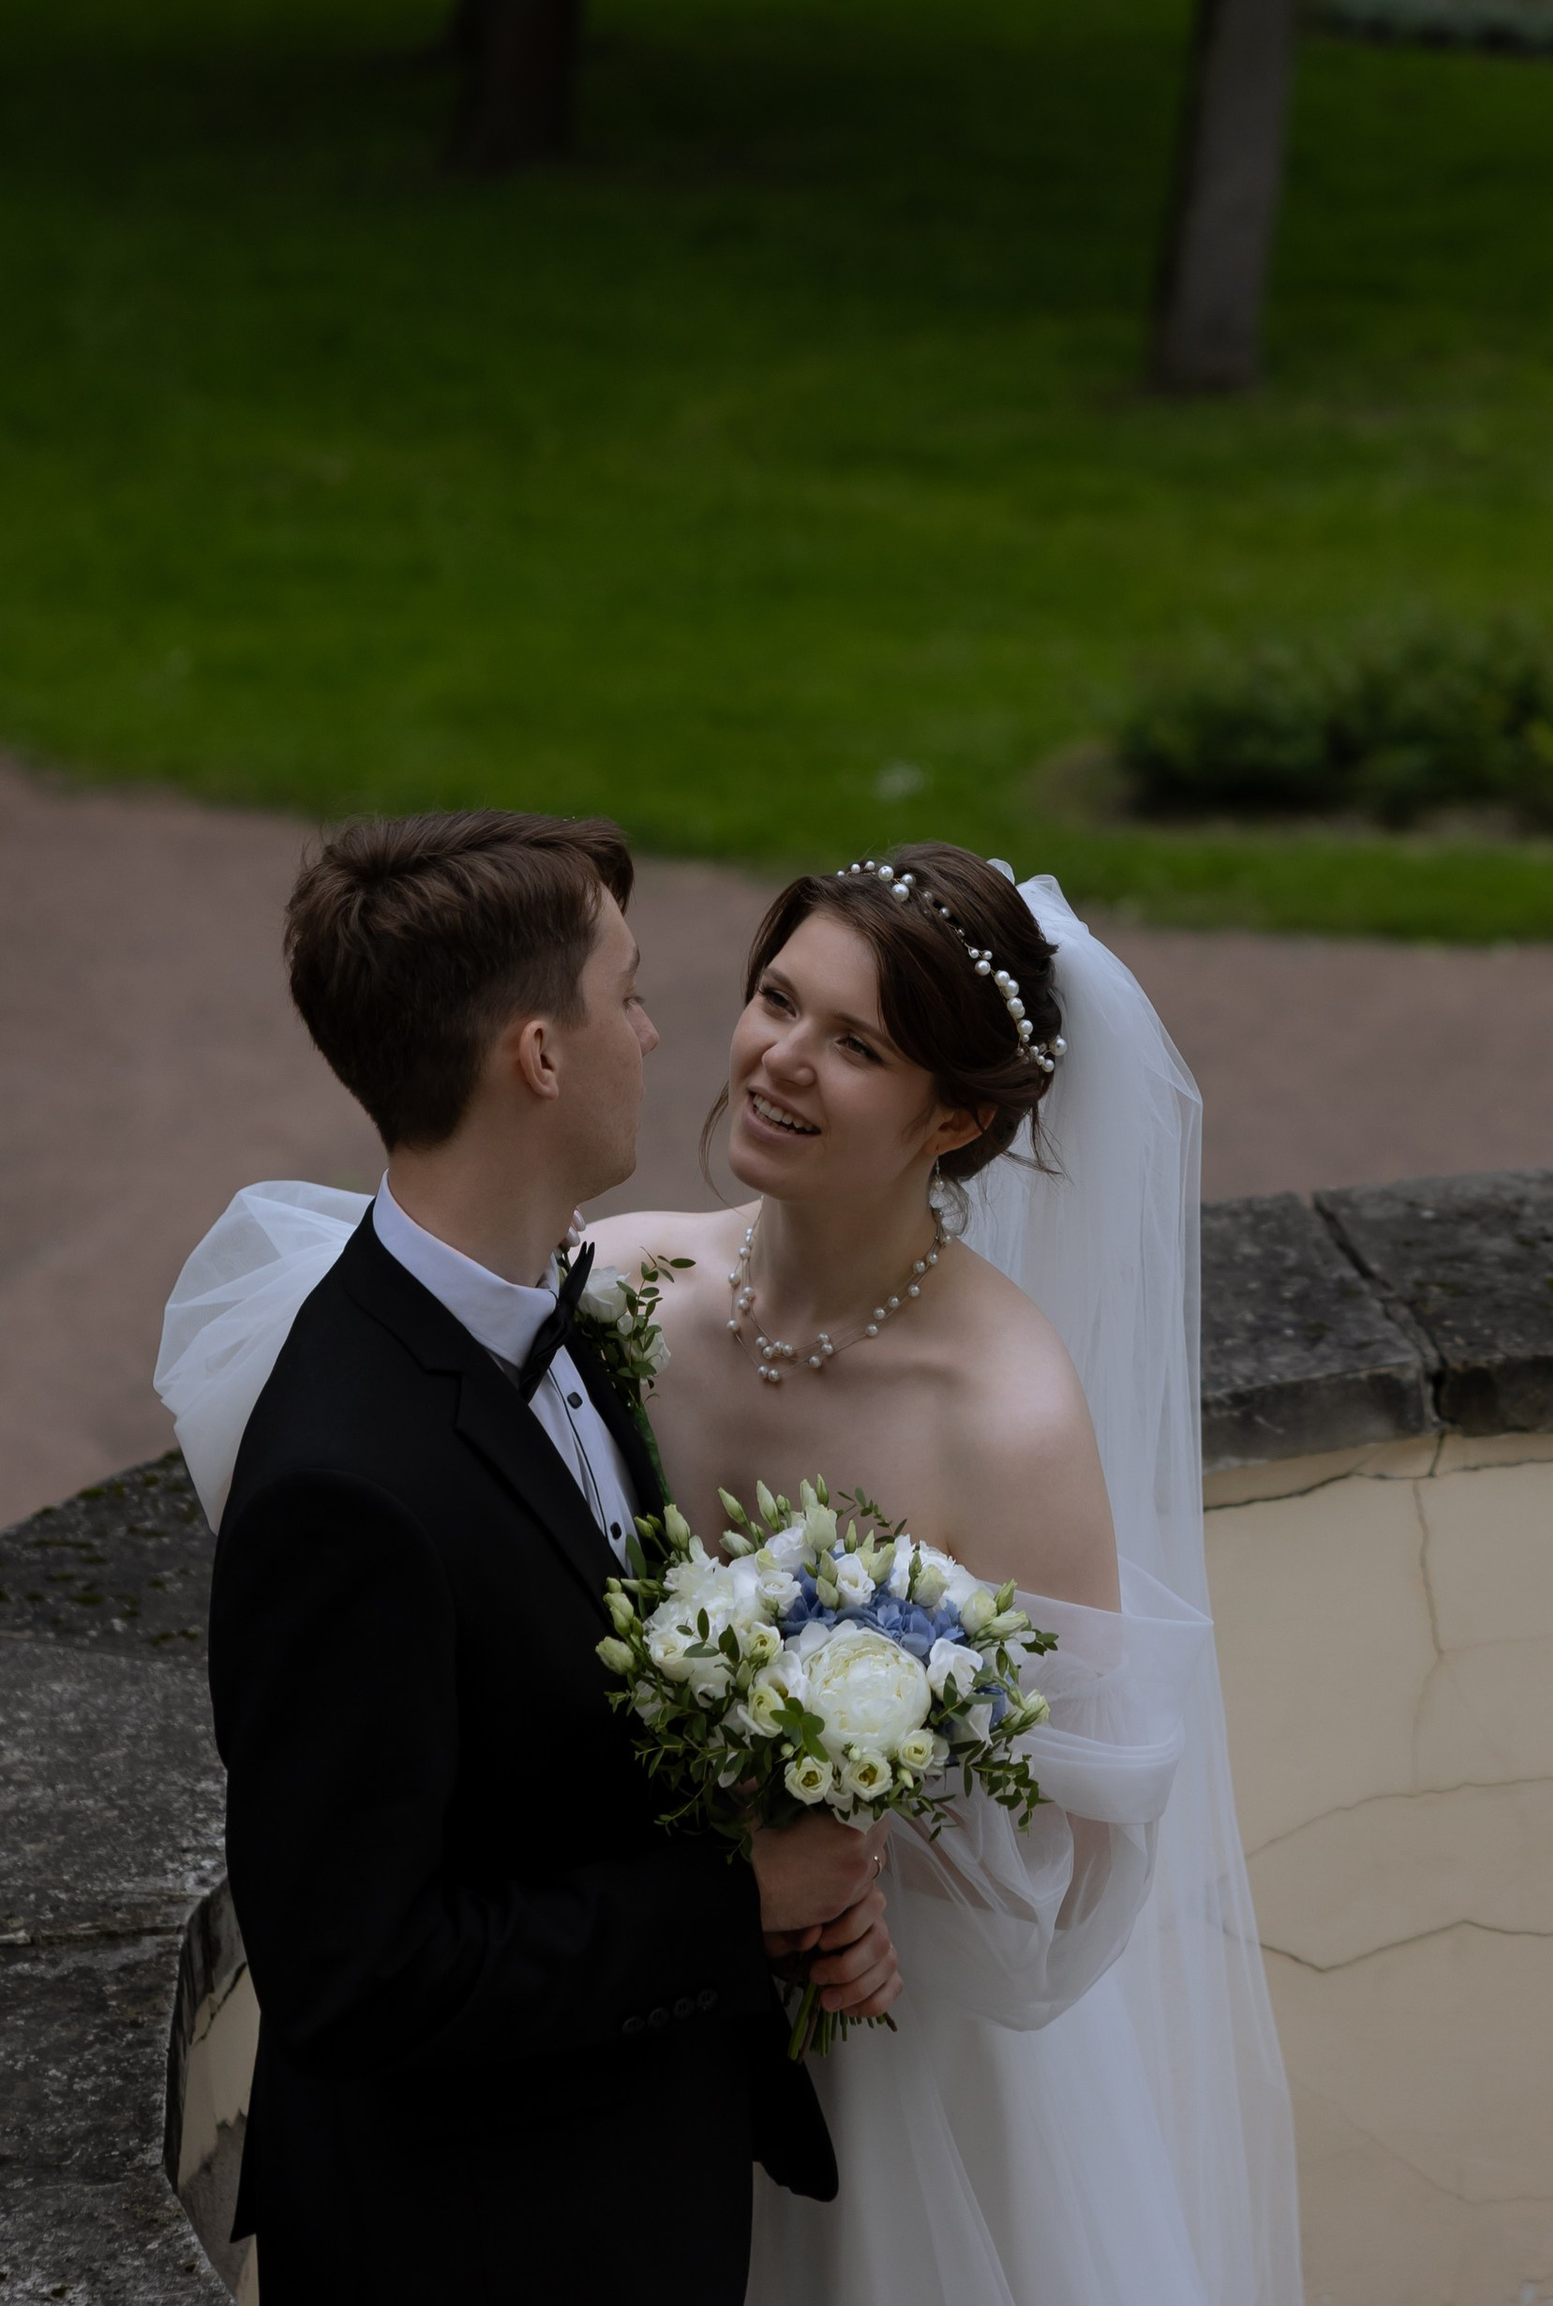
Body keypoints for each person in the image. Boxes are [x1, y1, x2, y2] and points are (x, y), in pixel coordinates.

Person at [159, 812, 896, 2306]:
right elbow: (357, 1975)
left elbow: (554, 1765)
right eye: (629, 991)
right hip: (485, 2244)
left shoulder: (551, 1306)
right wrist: (736, 1899)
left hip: (636, 2185)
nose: (655, 1031)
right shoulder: (345, 1487)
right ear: (540, 1055)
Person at [584, 847, 1301, 2306]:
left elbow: (1082, 1853)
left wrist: (872, 1885)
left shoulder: (1004, 1418)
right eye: (778, 1000)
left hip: (875, 2069)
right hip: (607, 2010)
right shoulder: (618, 1285)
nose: (783, 1060)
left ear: (958, 1118)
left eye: (857, 1046)